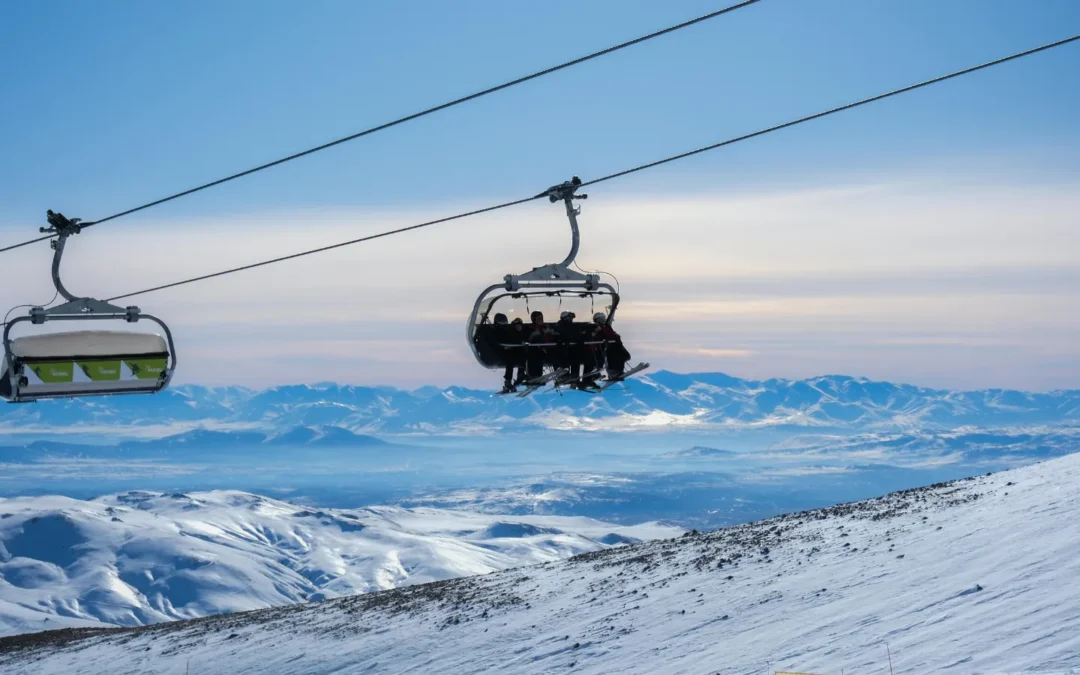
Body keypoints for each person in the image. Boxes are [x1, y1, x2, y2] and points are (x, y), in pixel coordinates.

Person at [592, 312, 629, 379]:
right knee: (614, 356)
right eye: (602, 318)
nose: (604, 320)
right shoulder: (596, 327)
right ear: (598, 319)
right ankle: (613, 372)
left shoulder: (606, 326)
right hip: (605, 347)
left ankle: (618, 372)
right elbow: (599, 336)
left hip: (612, 346)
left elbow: (612, 334)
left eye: (604, 318)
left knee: (623, 355)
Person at [525, 310, 555, 380]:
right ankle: (533, 375)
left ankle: (561, 370)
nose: (541, 320)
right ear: (534, 319)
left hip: (547, 349)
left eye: (541, 318)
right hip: (537, 350)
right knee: (535, 354)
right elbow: (529, 338)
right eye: (539, 318)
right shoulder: (530, 328)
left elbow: (553, 334)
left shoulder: (546, 327)